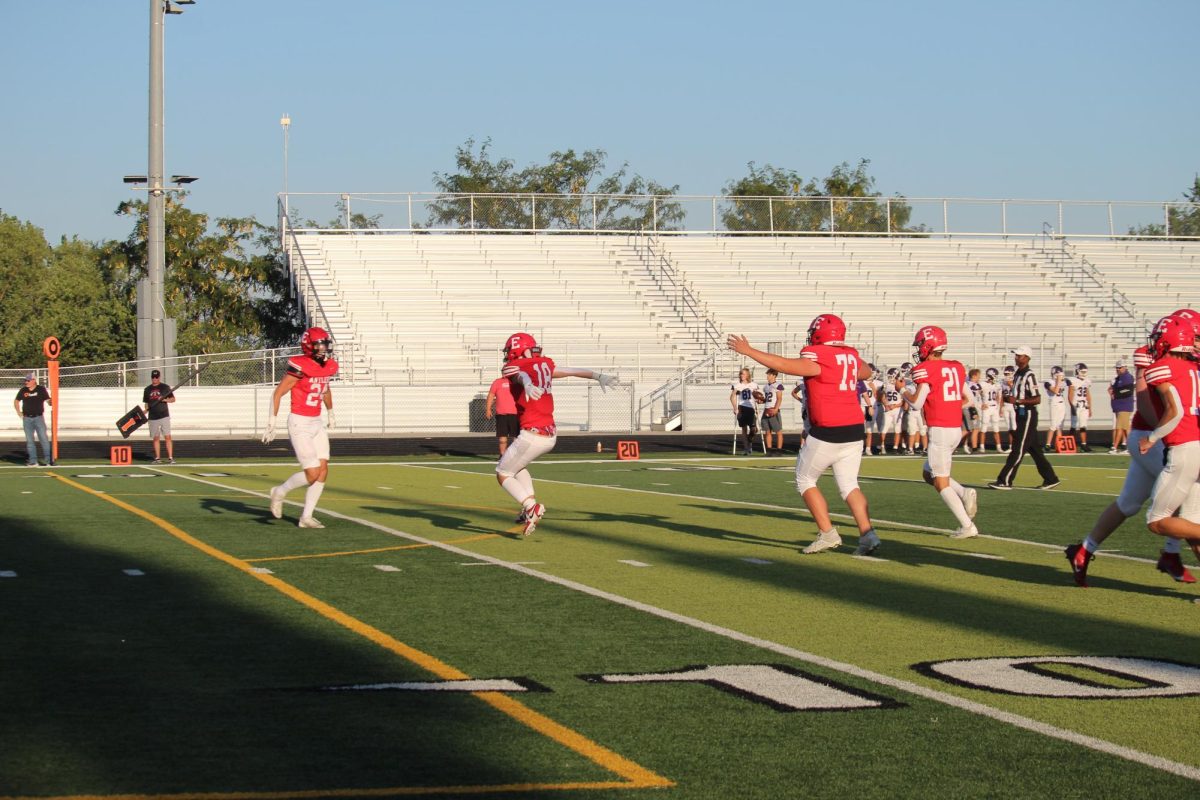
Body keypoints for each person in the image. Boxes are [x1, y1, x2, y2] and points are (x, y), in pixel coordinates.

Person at [728, 313, 882, 556]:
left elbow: (787, 366)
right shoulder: (850, 355)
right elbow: (864, 372)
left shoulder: (819, 356)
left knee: (805, 479)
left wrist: (750, 351)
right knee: (849, 484)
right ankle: (867, 533)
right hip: (854, 428)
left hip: (830, 428)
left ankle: (828, 533)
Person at [1065, 332, 1194, 586]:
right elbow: (1144, 399)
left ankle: (1083, 550)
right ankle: (1170, 552)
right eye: (1196, 336)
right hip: (1150, 435)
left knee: (1128, 503)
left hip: (1160, 436)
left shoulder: (1187, 361)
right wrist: (1163, 433)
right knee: (1188, 497)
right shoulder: (1153, 355)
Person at [495, 331, 617, 536]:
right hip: (549, 435)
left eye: (510, 351)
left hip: (532, 434)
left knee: (502, 473)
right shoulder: (544, 365)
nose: (508, 355)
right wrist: (598, 376)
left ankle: (530, 506)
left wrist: (526, 383)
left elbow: (520, 374)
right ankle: (529, 509)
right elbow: (570, 371)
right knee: (518, 466)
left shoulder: (515, 367)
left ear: (516, 350)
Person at [904, 326, 979, 538]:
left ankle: (967, 526)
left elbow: (917, 403)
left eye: (920, 345)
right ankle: (965, 493)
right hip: (955, 428)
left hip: (940, 430)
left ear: (928, 345)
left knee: (940, 482)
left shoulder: (926, 369)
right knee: (928, 473)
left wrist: (902, 389)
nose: (918, 349)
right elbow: (968, 399)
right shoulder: (955, 367)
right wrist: (950, 406)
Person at [1137, 315, 1200, 562]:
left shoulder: (1163, 368)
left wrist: (1151, 438)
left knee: (1156, 521)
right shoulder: (1194, 368)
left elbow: (1175, 412)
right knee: (1191, 525)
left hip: (1185, 448)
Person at [262, 327, 339, 529]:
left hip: (316, 421)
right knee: (312, 473)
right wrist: (272, 421)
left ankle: (306, 517)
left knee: (323, 471)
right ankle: (279, 492)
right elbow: (278, 393)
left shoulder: (328, 366)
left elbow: (325, 389)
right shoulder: (300, 366)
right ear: (309, 346)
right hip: (300, 422)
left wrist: (330, 412)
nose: (323, 348)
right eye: (319, 345)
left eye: (325, 344)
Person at [988, 346, 1061, 490]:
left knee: (1018, 448)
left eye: (1020, 356)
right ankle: (1051, 478)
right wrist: (1010, 399)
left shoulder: (1029, 375)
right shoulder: (1018, 374)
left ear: (1027, 358)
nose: (1016, 358)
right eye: (1016, 355)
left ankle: (1005, 480)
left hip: (1027, 414)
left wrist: (1018, 401)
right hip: (1020, 414)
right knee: (1035, 450)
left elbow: (1037, 399)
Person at [13, 371, 53, 467]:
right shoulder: (23, 390)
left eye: (28, 380)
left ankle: (48, 461)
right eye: (25, 380)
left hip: (38, 417)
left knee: (43, 439)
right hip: (27, 418)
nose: (26, 382)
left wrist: (51, 401)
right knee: (30, 441)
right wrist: (19, 412)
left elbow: (48, 400)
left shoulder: (41, 389)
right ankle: (33, 461)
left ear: (33, 380)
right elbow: (16, 401)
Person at [143, 369, 176, 464]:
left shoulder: (165, 387)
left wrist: (164, 399)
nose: (155, 379)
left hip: (164, 415)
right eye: (153, 377)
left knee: (167, 436)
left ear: (159, 377)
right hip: (152, 417)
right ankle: (157, 458)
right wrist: (146, 410)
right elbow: (146, 403)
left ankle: (170, 457)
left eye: (156, 377)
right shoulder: (147, 389)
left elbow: (173, 399)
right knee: (156, 438)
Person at [730, 367, 762, 456]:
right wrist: (735, 408)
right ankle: (746, 448)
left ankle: (750, 441)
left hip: (751, 408)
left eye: (743, 373)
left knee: (753, 429)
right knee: (744, 429)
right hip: (742, 408)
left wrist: (759, 401)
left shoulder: (754, 385)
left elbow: (758, 397)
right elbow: (732, 397)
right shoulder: (737, 385)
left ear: (748, 375)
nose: (741, 375)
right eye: (740, 373)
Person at [485, 373, 519, 455]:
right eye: (504, 371)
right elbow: (491, 395)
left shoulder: (517, 382)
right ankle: (502, 455)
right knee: (502, 439)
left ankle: (515, 456)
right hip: (501, 415)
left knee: (517, 438)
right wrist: (488, 409)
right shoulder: (497, 382)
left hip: (515, 414)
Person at [1108, 359, 1135, 453]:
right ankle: (1129, 447)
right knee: (1124, 427)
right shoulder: (1119, 378)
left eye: (1119, 368)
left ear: (1124, 367)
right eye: (1117, 368)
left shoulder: (1127, 377)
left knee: (1121, 427)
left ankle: (1115, 447)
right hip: (1119, 406)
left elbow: (1128, 390)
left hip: (1124, 406)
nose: (1117, 369)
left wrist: (1115, 393)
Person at [1067, 362, 1093, 452]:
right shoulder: (1073, 380)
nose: (1084, 374)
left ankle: (1084, 444)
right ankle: (1069, 444)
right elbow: (1070, 395)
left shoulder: (1087, 381)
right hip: (1076, 405)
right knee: (1073, 426)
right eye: (1082, 372)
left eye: (1084, 372)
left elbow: (1088, 395)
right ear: (1077, 371)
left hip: (1084, 405)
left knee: (1083, 426)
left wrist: (1090, 407)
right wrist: (1072, 406)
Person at [877, 368, 904, 454]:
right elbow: (882, 397)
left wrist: (895, 405)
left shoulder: (900, 385)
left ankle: (895, 448)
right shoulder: (886, 385)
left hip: (897, 409)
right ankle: (882, 446)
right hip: (888, 409)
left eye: (890, 376)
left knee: (897, 428)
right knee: (884, 428)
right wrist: (886, 405)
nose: (889, 378)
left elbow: (903, 400)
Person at [1042, 366, 1068, 452]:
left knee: (1059, 426)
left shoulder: (1063, 381)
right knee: (1053, 425)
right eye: (1058, 374)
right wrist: (1058, 381)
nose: (1060, 376)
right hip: (1054, 404)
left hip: (1062, 403)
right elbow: (1056, 391)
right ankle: (1048, 444)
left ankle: (1059, 445)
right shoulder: (1048, 382)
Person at [979, 367, 1005, 453]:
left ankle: (998, 446)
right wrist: (981, 404)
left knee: (996, 428)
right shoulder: (982, 384)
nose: (996, 377)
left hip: (995, 408)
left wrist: (1000, 408)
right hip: (986, 408)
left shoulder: (997, 385)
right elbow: (977, 395)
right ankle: (982, 446)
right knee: (984, 428)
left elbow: (999, 397)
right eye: (994, 375)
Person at [760, 368, 785, 454]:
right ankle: (769, 449)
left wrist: (776, 409)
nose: (767, 376)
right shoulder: (766, 387)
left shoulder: (778, 385)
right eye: (767, 374)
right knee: (767, 431)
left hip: (773, 409)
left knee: (778, 431)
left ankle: (779, 450)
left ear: (774, 375)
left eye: (769, 374)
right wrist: (761, 401)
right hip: (766, 409)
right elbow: (767, 399)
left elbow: (779, 398)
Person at [962, 368, 983, 454]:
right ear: (974, 376)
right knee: (974, 429)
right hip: (971, 408)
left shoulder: (967, 384)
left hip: (967, 407)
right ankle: (974, 448)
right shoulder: (973, 385)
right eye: (978, 376)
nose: (979, 378)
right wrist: (973, 410)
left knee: (967, 429)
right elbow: (973, 398)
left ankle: (952, 445)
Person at [1000, 365, 1017, 452]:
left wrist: (1011, 385)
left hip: (1013, 406)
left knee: (1014, 426)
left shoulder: (1016, 381)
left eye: (1008, 374)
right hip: (1006, 405)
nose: (1006, 375)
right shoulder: (1002, 382)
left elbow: (1017, 394)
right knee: (1009, 427)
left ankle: (1016, 445)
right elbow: (1002, 396)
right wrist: (1001, 408)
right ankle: (1011, 446)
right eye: (1005, 374)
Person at [790, 379, 809, 451]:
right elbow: (793, 393)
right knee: (806, 428)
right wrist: (801, 400)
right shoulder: (801, 382)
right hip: (806, 408)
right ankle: (803, 445)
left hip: (814, 407)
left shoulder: (814, 380)